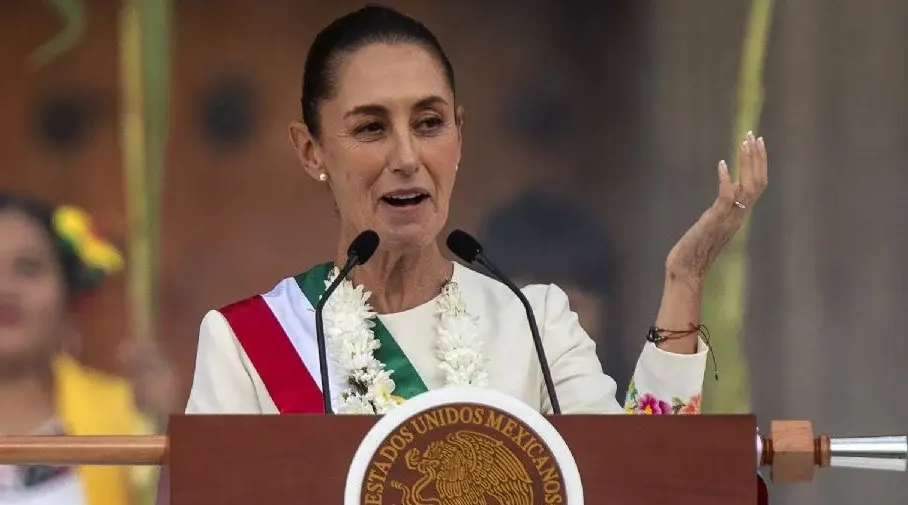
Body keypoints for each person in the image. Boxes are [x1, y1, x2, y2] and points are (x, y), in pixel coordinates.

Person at [184, 5, 767, 417]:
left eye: (429, 123)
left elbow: (636, 486)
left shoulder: (532, 322)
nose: (406, 157)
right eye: (370, 128)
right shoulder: (245, 345)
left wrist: (684, 280)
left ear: (459, 137)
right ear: (311, 150)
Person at [0, 194, 178, 505]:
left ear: (66, 290)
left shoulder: (129, 415)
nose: (1, 288)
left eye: (28, 268)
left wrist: (173, 434)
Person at [475, 187, 628, 391]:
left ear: (607, 313)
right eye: (532, 305)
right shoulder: (461, 399)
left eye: (569, 307)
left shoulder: (633, 404)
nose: (550, 325)